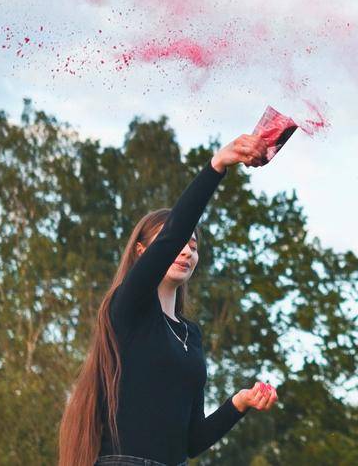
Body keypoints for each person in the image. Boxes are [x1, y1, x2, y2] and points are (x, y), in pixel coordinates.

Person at [58, 132, 278, 466]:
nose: (187, 248)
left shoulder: (191, 335)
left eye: (194, 244)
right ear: (144, 252)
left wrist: (239, 403)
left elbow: (192, 441)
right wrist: (217, 165)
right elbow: (172, 235)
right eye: (178, 241)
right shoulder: (128, 308)